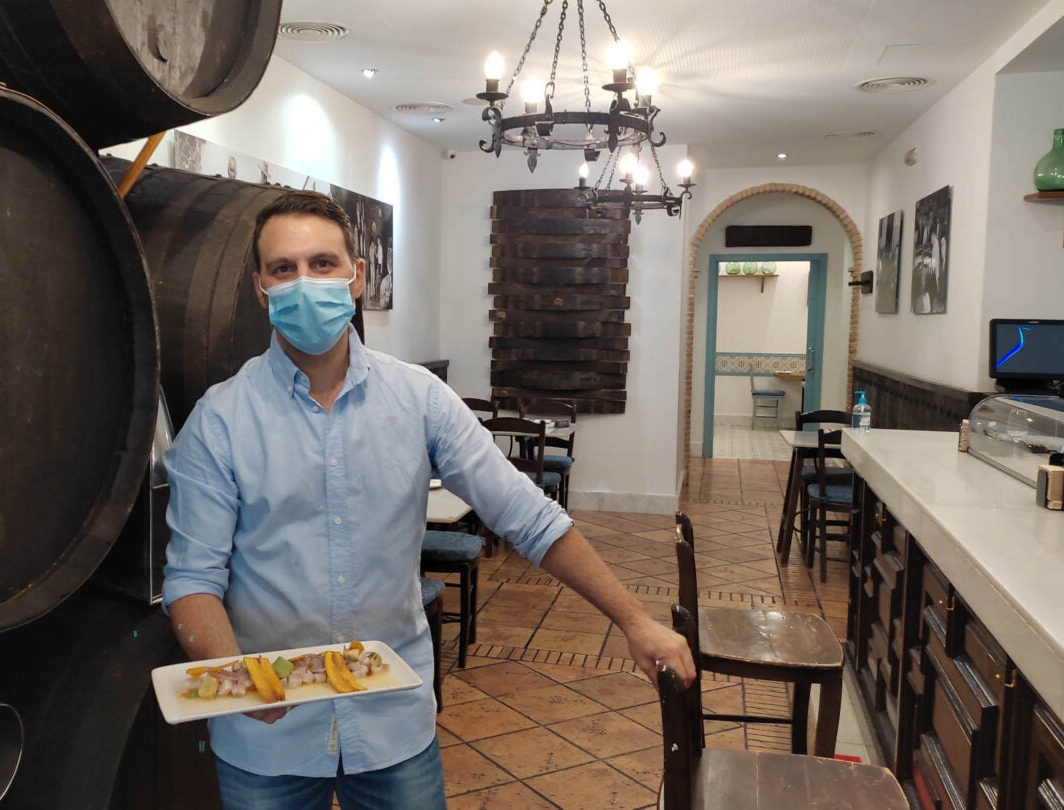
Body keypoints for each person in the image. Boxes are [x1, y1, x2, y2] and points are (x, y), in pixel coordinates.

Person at [162, 191, 694, 809]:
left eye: (322, 263)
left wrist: (635, 621)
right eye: (284, 269)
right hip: (267, 735)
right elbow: (193, 578)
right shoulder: (220, 421)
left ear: (357, 277)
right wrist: (237, 678)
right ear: (261, 289)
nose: (304, 282)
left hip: (391, 721)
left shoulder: (419, 399)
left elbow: (528, 517)